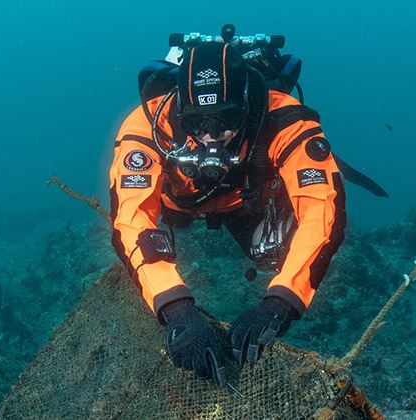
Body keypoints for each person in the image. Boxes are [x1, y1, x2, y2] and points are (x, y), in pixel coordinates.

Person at [108, 28, 346, 387]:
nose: (210, 135)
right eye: (196, 123)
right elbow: (131, 219)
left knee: (282, 258)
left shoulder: (285, 119)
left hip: (244, 201)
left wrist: (282, 299)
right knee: (152, 238)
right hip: (181, 203)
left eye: (227, 119)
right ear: (179, 109)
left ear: (248, 104)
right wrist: (175, 308)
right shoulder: (147, 127)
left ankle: (276, 236)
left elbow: (321, 212)